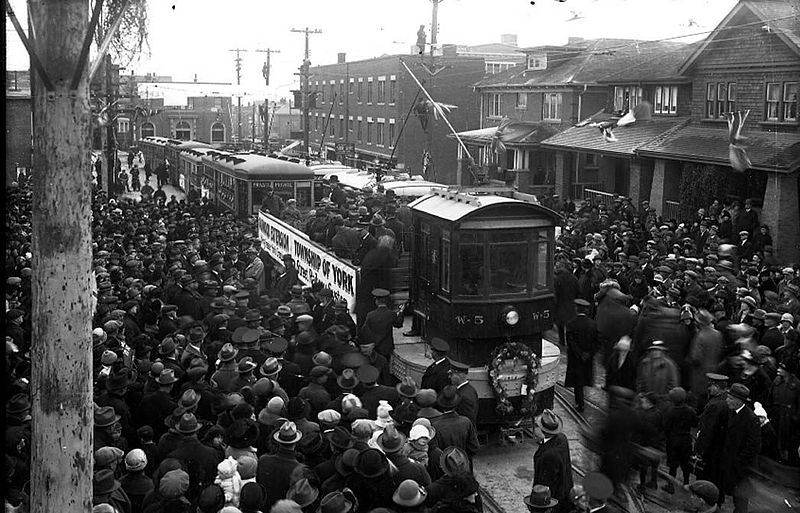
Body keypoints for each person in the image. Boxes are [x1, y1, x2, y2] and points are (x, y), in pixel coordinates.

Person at [719, 383, 761, 513]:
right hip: (729, 462)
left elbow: (753, 446)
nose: (727, 400)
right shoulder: (730, 412)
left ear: (739, 401)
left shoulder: (751, 419)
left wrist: (738, 463)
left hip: (741, 467)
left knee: (740, 499)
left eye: (730, 398)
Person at [531, 410, 573, 513]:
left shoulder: (548, 456)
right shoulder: (562, 438)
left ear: (542, 430)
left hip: (552, 502)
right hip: (565, 493)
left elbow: (545, 484)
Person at [565, 299, 598, 411]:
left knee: (577, 382)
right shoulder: (593, 324)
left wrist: (580, 353)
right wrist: (589, 354)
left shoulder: (571, 324)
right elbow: (597, 342)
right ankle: (581, 402)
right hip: (588, 358)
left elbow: (570, 342)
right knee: (584, 379)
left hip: (576, 358)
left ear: (576, 309)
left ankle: (580, 403)